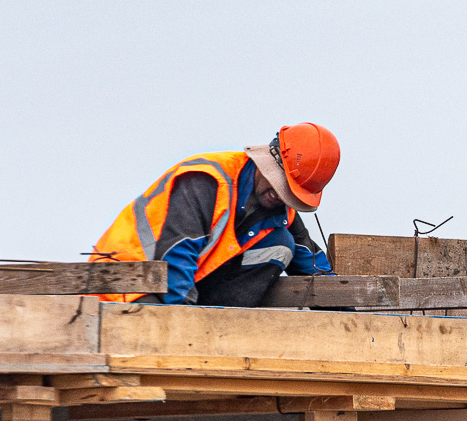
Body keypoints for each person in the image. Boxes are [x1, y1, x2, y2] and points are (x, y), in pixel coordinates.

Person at [91, 123, 340, 306]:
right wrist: (190, 329)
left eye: (289, 194)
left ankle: (224, 330)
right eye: (278, 184)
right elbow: (176, 259)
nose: (279, 195)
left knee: (282, 244)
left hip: (187, 288)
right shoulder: (206, 181)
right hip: (128, 285)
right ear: (268, 163)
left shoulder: (280, 211)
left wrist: (358, 317)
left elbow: (315, 267)